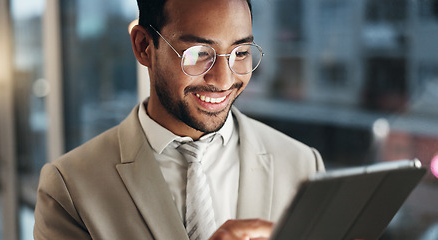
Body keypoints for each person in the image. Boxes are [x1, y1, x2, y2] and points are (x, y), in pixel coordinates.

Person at [33, 0, 325, 239]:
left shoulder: (302, 165)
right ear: (144, 46)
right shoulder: (69, 188)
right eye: (198, 53)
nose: (224, 79)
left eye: (241, 52)